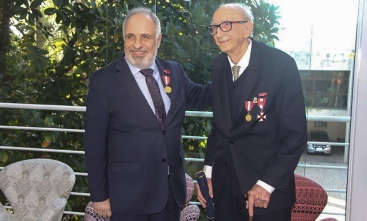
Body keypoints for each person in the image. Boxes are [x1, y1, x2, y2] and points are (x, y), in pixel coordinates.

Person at [84, 7, 210, 221]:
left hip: (170, 195)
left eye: (145, 36)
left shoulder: (174, 71)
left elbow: (202, 96)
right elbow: (94, 144)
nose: (137, 44)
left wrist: (236, 75)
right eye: (130, 36)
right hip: (126, 197)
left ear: (158, 40)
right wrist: (99, 195)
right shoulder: (103, 81)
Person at [196, 3, 307, 221]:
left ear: (247, 28)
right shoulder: (219, 66)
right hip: (224, 189)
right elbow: (219, 128)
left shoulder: (281, 65)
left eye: (225, 25)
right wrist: (208, 175)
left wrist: (267, 184)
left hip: (265, 191)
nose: (218, 33)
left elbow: (295, 135)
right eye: (214, 27)